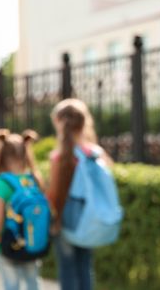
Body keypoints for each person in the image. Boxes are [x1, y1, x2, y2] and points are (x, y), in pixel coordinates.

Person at [47, 98, 113, 290]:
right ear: (85, 122)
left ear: (59, 123)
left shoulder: (59, 156)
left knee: (67, 269)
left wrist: (54, 220)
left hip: (65, 222)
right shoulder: (94, 152)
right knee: (85, 267)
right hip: (89, 219)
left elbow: (54, 193)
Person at [0, 128, 43, 290]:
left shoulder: (1, 184)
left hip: (6, 245)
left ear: (0, 156)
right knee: (33, 283)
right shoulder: (32, 180)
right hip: (32, 242)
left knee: (11, 285)